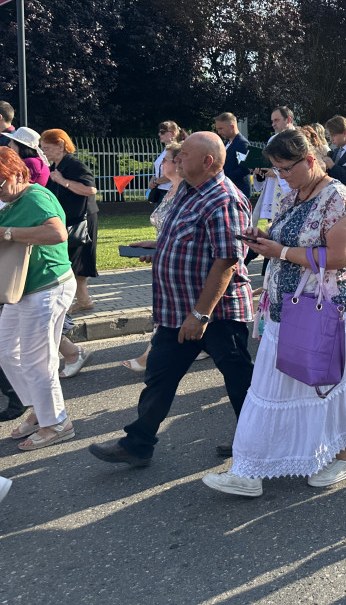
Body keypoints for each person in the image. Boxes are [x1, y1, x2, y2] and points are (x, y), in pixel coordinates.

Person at [201, 129, 346, 496]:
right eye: (275, 169)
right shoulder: (295, 194)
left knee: (323, 386)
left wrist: (280, 252)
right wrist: (262, 241)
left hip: (323, 310)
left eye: (285, 168)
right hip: (288, 307)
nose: (280, 176)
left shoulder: (337, 196)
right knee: (277, 387)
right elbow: (286, 242)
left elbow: (341, 257)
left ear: (310, 161)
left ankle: (341, 456)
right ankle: (254, 467)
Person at [88, 132, 255, 468]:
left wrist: (200, 315)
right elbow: (186, 238)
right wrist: (158, 247)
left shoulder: (224, 199)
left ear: (207, 161)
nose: (177, 160)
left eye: (185, 155)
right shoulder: (189, 191)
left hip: (215, 313)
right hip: (177, 311)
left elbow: (227, 260)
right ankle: (137, 444)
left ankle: (258, 441)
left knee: (240, 380)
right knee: (160, 375)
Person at [0, 147, 77, 450]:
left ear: (17, 173)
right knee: (4, 350)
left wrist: (7, 234)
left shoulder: (35, 197)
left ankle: (57, 422)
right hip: (24, 289)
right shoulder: (11, 198)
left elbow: (57, 234)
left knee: (35, 359)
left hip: (48, 287)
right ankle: (41, 411)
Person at [122, 141, 185, 372]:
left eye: (165, 159)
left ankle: (151, 355)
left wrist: (160, 247)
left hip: (177, 260)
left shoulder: (187, 190)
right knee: (170, 308)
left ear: (178, 162)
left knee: (169, 310)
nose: (161, 163)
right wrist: (155, 246)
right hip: (163, 256)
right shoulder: (171, 188)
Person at [41, 128, 99, 314]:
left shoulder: (73, 165)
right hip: (67, 219)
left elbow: (91, 190)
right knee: (71, 261)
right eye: (42, 149)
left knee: (77, 261)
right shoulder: (55, 166)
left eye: (47, 148)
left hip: (81, 220)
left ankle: (81, 300)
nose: (45, 152)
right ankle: (83, 300)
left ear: (60, 145)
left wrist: (63, 181)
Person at [255, 107, 295, 224]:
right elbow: (268, 163)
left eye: (277, 120)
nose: (273, 124)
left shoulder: (296, 138)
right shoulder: (273, 139)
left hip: (289, 187)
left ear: (288, 120)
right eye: (272, 121)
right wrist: (261, 172)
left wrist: (277, 173)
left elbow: (296, 164)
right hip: (273, 187)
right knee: (271, 225)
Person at [213, 113, 252, 199]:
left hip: (239, 191)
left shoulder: (242, 144)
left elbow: (245, 169)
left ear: (232, 126)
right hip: (228, 190)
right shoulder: (227, 143)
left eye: (221, 128)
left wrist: (223, 176)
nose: (219, 132)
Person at [148, 121, 186, 203]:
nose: (159, 134)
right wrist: (153, 179)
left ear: (173, 134)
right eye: (159, 132)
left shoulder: (176, 150)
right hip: (160, 190)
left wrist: (156, 182)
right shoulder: (166, 150)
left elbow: (174, 172)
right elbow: (160, 171)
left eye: (162, 132)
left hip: (170, 191)